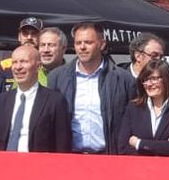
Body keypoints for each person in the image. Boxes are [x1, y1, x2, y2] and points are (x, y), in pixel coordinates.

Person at [49, 22, 133, 155]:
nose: (82, 47)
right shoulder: (57, 78)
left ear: (102, 44)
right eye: (78, 43)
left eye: (88, 42)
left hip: (108, 156)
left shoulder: (123, 79)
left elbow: (132, 121)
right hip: (69, 156)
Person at [0, 44, 71, 153]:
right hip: (6, 161)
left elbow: (62, 144)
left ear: (38, 66)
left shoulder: (55, 101)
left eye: (24, 62)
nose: (18, 67)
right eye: (14, 62)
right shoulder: (2, 100)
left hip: (38, 162)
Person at [117, 59, 169, 155]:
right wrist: (163, 147)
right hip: (137, 164)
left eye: (154, 79)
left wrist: (138, 143)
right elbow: (123, 148)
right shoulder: (133, 108)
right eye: (146, 80)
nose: (149, 84)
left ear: (167, 79)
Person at [0, 17, 44, 89]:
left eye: (34, 33)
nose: (29, 37)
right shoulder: (5, 65)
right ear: (19, 37)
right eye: (25, 33)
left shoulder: (46, 65)